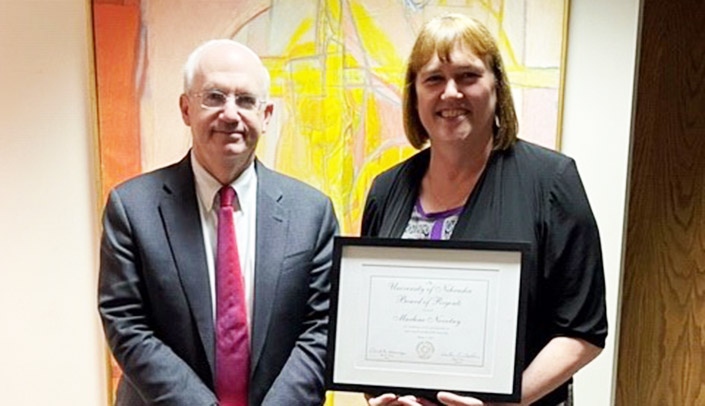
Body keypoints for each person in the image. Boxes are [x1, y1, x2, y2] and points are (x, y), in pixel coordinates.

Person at [361, 14, 607, 406]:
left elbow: (583, 330)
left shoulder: (551, 181)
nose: (451, 93)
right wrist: (380, 395)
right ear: (415, 94)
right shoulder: (387, 189)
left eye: (468, 76)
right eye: (434, 79)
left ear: (497, 87)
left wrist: (506, 402)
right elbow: (371, 322)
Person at [98, 39, 338, 406]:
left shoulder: (312, 213)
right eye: (214, 97)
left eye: (245, 100)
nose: (230, 114)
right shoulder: (132, 208)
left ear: (267, 114)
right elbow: (127, 323)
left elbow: (321, 328)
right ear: (185, 108)